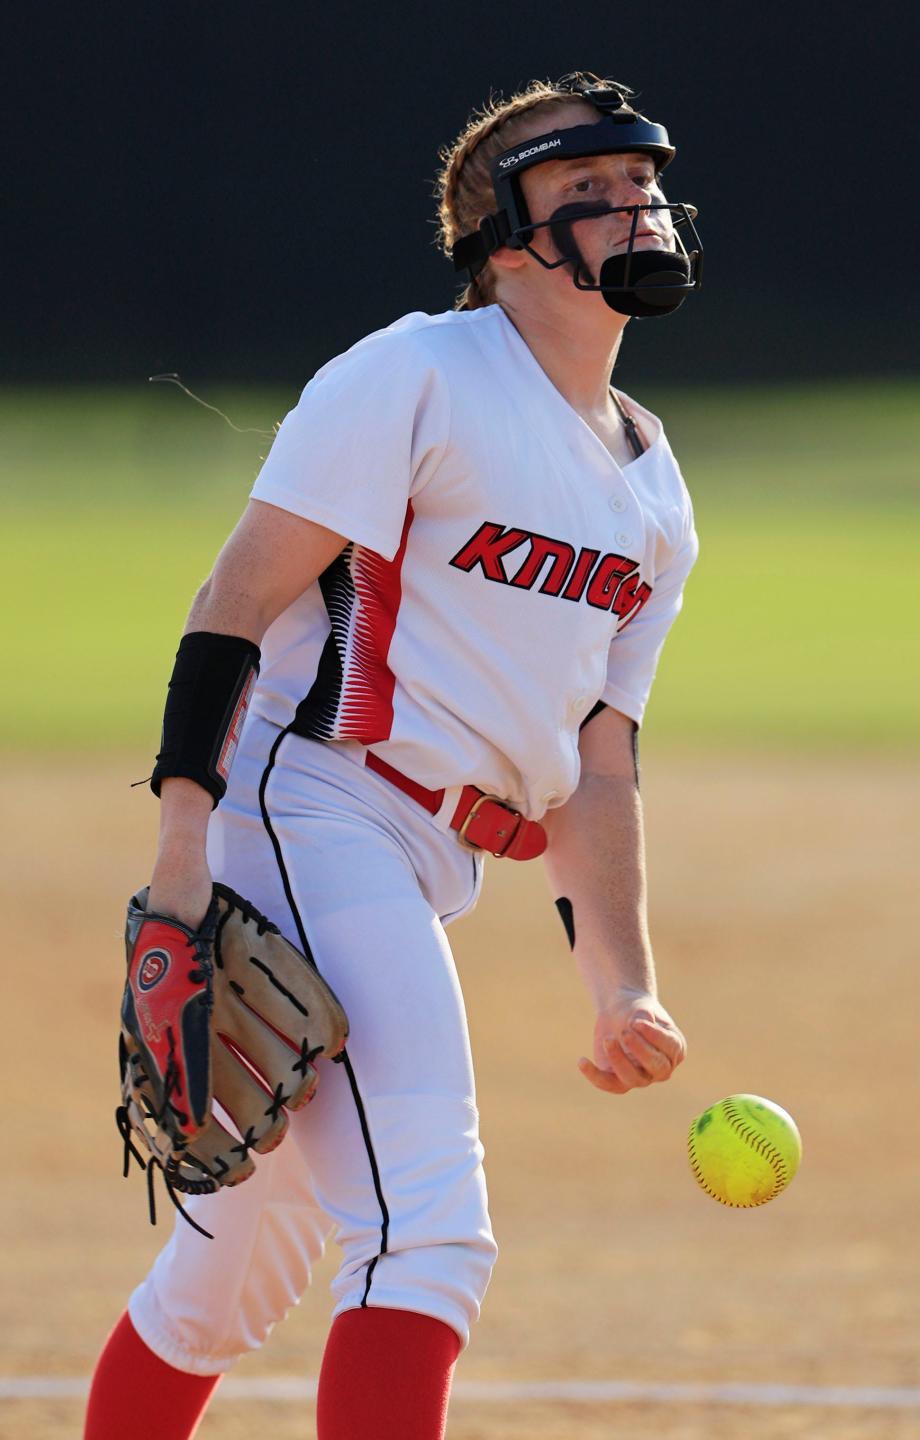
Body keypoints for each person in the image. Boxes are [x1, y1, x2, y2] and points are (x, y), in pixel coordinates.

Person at [85, 69, 701, 1440]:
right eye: (587, 190)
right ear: (506, 234)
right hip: (310, 812)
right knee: (427, 1234)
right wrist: (183, 851)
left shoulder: (653, 486)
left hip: (425, 862)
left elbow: (601, 762)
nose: (633, 209)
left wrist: (622, 986)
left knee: (228, 1282)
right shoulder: (414, 374)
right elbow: (232, 606)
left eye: (643, 185)